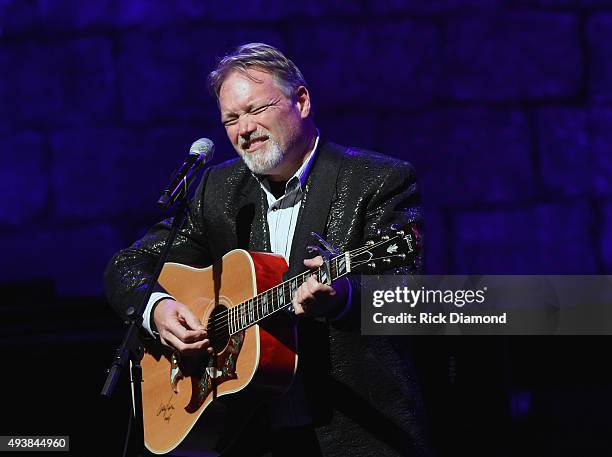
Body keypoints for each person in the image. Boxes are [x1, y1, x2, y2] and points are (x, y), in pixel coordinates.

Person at [105, 43, 428, 457]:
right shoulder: (217, 193)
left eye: (256, 110)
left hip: (356, 432)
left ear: (302, 101)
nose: (244, 129)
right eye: (231, 119)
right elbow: (128, 264)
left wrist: (346, 298)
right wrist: (159, 310)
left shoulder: (378, 180)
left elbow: (408, 294)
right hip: (249, 434)